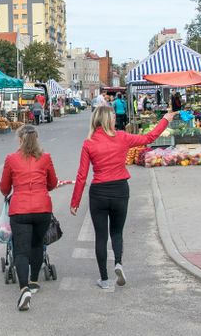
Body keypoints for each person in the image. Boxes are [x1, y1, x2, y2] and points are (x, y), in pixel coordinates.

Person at [70, 107, 177, 289]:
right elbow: (149, 138)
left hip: (99, 192)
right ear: (108, 120)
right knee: (117, 232)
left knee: (101, 236)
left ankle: (104, 279)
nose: (114, 120)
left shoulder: (89, 143)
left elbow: (82, 175)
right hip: (120, 189)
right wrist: (165, 119)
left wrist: (75, 202)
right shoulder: (122, 137)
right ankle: (118, 263)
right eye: (112, 117)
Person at [0, 125, 58, 311]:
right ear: (37, 139)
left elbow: (4, 188)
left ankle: (24, 288)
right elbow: (53, 183)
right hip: (42, 209)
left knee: (21, 250)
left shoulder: (11, 159)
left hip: (20, 210)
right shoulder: (46, 157)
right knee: (37, 244)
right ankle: (34, 281)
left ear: (20, 139)